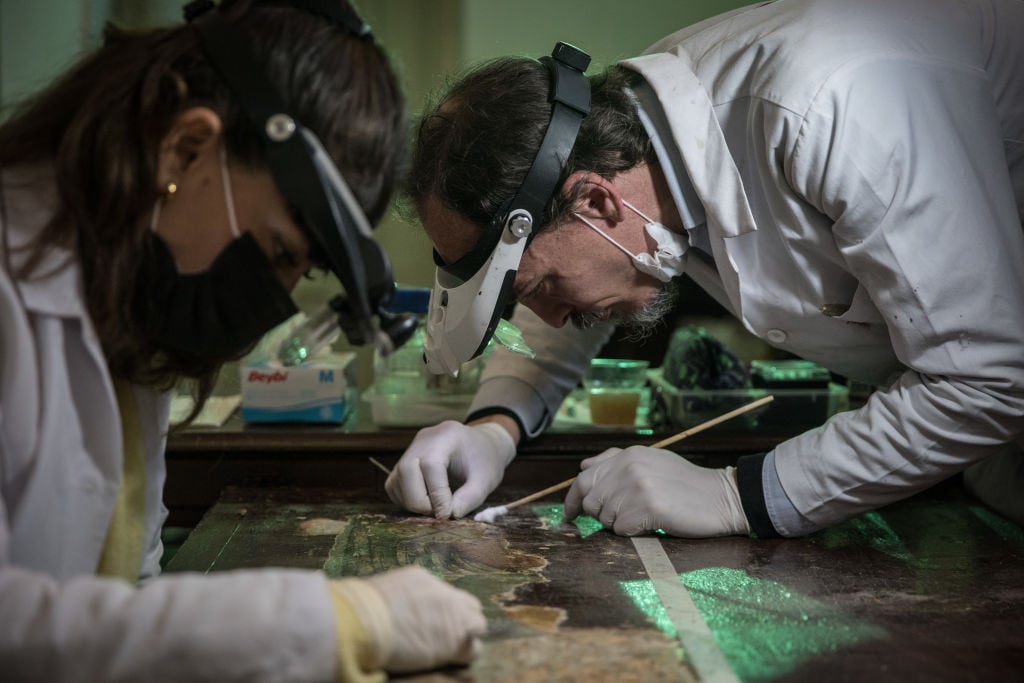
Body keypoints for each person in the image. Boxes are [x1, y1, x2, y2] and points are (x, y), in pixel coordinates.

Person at [384, 0, 1024, 539]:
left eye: (540, 287)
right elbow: (568, 294)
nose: (545, 315)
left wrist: (736, 496)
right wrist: (493, 428)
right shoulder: (642, 145)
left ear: (598, 201)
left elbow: (987, 375)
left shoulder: (827, 108)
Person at [0, 1, 485, 680]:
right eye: (278, 249)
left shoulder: (124, 304)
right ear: (186, 148)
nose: (272, 293)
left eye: (299, 268)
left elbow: (118, 600)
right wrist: (339, 621)